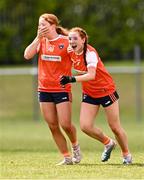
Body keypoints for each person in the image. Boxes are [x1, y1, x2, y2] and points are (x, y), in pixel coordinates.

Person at [60, 27, 132, 164]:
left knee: (115, 127)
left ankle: (126, 155)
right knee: (85, 126)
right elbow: (60, 38)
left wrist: (71, 79)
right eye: (70, 39)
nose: (71, 41)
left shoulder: (90, 53)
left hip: (106, 91)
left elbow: (92, 75)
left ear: (83, 40)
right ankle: (108, 143)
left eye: (75, 38)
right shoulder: (71, 50)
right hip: (90, 93)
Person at [24, 14, 82, 165]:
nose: (40, 28)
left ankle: (75, 146)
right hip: (44, 89)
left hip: (62, 89)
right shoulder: (41, 41)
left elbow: (78, 58)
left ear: (53, 25)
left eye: (43, 24)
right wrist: (37, 38)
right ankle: (67, 157)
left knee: (66, 124)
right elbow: (27, 55)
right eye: (39, 25)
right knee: (52, 125)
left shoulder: (65, 41)